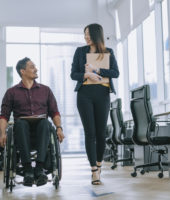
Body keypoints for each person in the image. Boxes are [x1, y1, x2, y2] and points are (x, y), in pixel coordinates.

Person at [0, 57, 65, 187]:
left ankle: (39, 168)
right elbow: (4, 116)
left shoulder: (45, 90)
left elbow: (55, 112)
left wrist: (59, 128)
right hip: (21, 133)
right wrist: (2, 133)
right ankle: (28, 169)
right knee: (21, 123)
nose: (36, 69)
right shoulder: (11, 92)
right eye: (32, 67)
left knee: (45, 123)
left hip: (42, 133)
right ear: (22, 71)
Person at [71, 23, 119, 185]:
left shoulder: (108, 52)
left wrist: (97, 70)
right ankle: (93, 171)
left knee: (100, 133)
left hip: (103, 94)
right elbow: (73, 74)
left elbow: (115, 73)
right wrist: (86, 75)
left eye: (89, 34)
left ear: (96, 35)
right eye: (84, 34)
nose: (86, 37)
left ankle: (99, 165)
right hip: (85, 95)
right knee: (90, 133)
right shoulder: (80, 51)